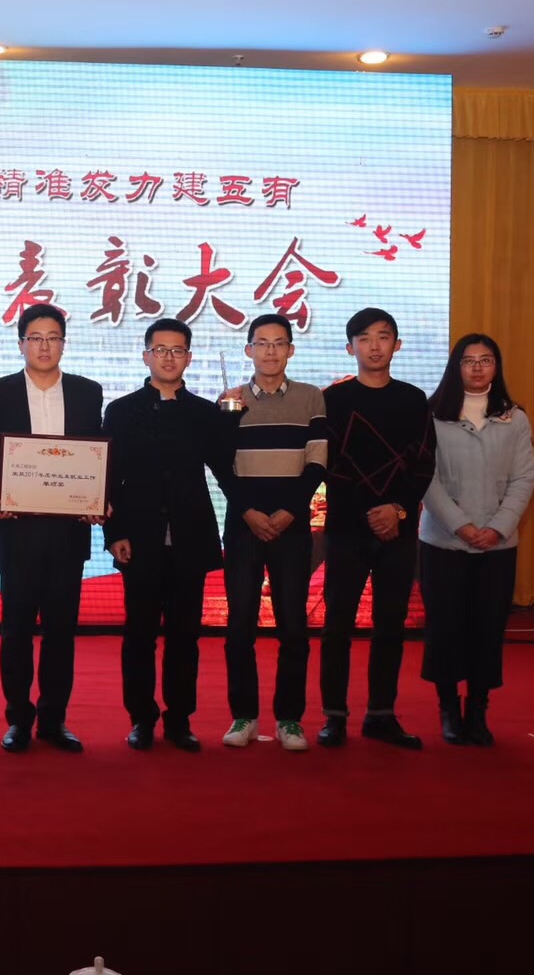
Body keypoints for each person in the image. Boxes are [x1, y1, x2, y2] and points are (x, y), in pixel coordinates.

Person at [102, 317, 234, 752]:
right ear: (146, 356)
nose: (169, 357)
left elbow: (225, 467)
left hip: (190, 539)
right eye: (160, 350)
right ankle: (141, 718)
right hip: (139, 539)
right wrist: (114, 532)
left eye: (177, 350)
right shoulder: (121, 411)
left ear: (189, 358)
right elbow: (109, 477)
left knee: (184, 637)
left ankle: (179, 720)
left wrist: (233, 422)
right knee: (139, 635)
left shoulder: (204, 413)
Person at [0, 304, 104, 753]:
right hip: (17, 530)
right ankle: (18, 720)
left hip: (69, 533)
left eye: (53, 337)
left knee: (60, 632)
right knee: (15, 631)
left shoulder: (88, 392)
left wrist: (98, 496)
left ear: (64, 344)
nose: (44, 346)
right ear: (21, 344)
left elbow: (95, 455)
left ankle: (54, 720)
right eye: (35, 337)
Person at [318, 308, 436, 750]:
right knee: (337, 625)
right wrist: (372, 511)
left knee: (390, 625)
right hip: (347, 530)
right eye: (364, 338)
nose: (374, 345)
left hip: (398, 532)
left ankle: (381, 715)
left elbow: (424, 463)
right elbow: (328, 466)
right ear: (350, 347)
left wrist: (397, 510)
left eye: (383, 336)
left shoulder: (413, 399)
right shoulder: (333, 400)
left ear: (397, 345)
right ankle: (334, 717)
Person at [419, 334, 534, 746]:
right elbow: (426, 477)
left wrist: (498, 527)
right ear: (456, 367)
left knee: (488, 627)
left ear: (496, 367)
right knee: (445, 626)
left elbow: (524, 478)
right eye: (469, 360)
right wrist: (460, 525)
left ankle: (478, 709)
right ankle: (449, 708)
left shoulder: (514, 418)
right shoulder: (432, 415)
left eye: (486, 360)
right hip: (443, 543)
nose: (478, 368)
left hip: (497, 546)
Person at [217, 314, 327, 752]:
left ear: (291, 350)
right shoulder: (230, 400)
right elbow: (221, 466)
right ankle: (243, 715)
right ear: (248, 350)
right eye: (261, 343)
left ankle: (289, 719)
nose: (270, 351)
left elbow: (317, 462)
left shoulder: (311, 397)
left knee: (294, 626)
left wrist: (289, 512)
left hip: (292, 527)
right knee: (240, 624)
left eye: (279, 343)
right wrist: (248, 512)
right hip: (243, 527)